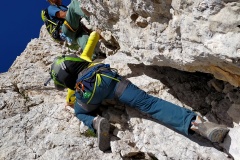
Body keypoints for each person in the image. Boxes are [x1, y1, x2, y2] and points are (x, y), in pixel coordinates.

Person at [48, 30, 229, 152]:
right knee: (150, 104)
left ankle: (95, 122)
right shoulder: (83, 58)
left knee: (80, 113)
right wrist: (96, 32)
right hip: (107, 79)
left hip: (87, 94)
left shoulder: (73, 91)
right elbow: (90, 42)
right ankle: (199, 126)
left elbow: (73, 102)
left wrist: (76, 106)